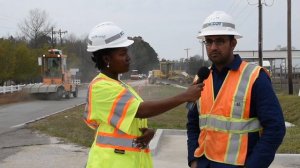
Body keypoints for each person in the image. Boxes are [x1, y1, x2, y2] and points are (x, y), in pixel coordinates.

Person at [83, 22, 204, 168]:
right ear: (107, 59)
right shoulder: (100, 87)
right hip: (109, 162)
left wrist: (149, 132)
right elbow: (140, 110)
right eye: (122, 53)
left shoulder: (121, 86)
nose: (128, 58)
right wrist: (184, 96)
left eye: (127, 52)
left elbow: (129, 121)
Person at [187, 11, 286, 168]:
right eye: (208, 41)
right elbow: (193, 124)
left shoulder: (255, 77)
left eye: (220, 41)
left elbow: (275, 128)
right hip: (204, 164)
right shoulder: (201, 80)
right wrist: (193, 160)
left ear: (233, 43)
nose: (213, 47)